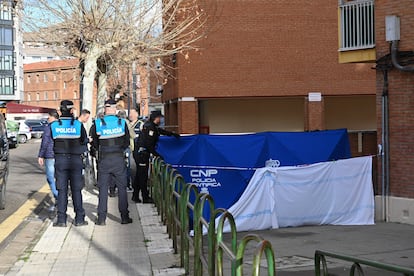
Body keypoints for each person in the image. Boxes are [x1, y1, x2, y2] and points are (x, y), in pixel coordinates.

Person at [91, 99, 132, 225]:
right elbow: (126, 142)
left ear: (105, 109)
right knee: (122, 189)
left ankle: (101, 218)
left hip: (104, 160)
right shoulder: (122, 123)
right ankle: (124, 217)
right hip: (118, 159)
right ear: (115, 109)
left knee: (103, 189)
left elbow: (94, 144)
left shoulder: (97, 123)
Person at [50, 100, 88, 227]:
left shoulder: (54, 126)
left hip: (60, 160)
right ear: (72, 111)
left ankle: (61, 220)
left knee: (62, 190)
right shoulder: (78, 125)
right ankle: (79, 219)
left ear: (60, 111)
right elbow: (84, 140)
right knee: (77, 190)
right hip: (76, 160)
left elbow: (51, 141)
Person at [133, 110, 179, 203]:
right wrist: (157, 155)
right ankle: (145, 197)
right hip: (142, 154)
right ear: (156, 118)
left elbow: (160, 131)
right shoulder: (150, 127)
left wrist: (172, 134)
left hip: (141, 153)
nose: (160, 120)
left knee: (139, 176)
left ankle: (135, 195)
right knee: (143, 177)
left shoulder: (151, 126)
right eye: (159, 118)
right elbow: (149, 144)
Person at [38, 109, 59, 210]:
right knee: (60, 178)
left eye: (49, 117)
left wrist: (40, 155)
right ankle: (60, 198)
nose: (47, 118)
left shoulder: (49, 127)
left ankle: (58, 198)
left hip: (50, 156)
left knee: (50, 178)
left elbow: (45, 142)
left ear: (53, 117)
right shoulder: (61, 126)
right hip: (60, 155)